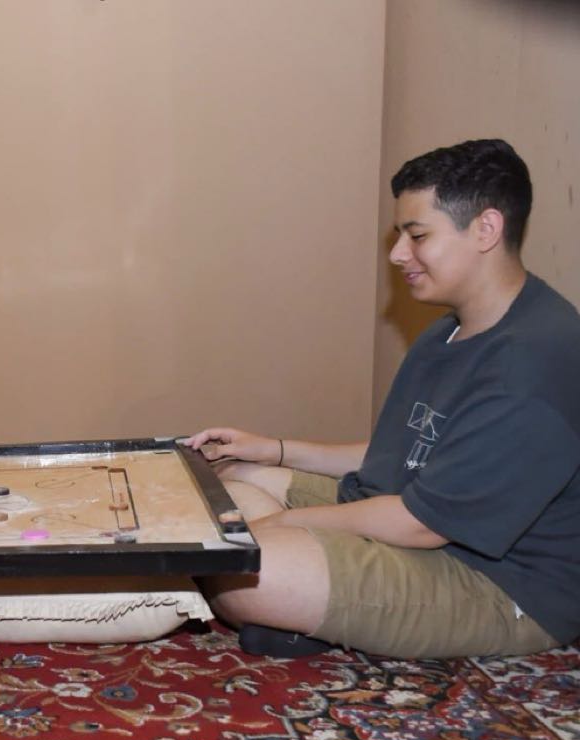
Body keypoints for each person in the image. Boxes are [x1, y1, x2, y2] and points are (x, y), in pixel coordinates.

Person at [186, 139, 579, 659]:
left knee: (241, 567)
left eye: (418, 236)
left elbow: (421, 524)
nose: (397, 254)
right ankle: (318, 612)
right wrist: (274, 450)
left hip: (501, 586)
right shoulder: (450, 331)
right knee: (231, 484)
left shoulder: (533, 359)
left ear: (486, 229)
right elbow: (401, 453)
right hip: (414, 519)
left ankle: (312, 608)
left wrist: (280, 524)